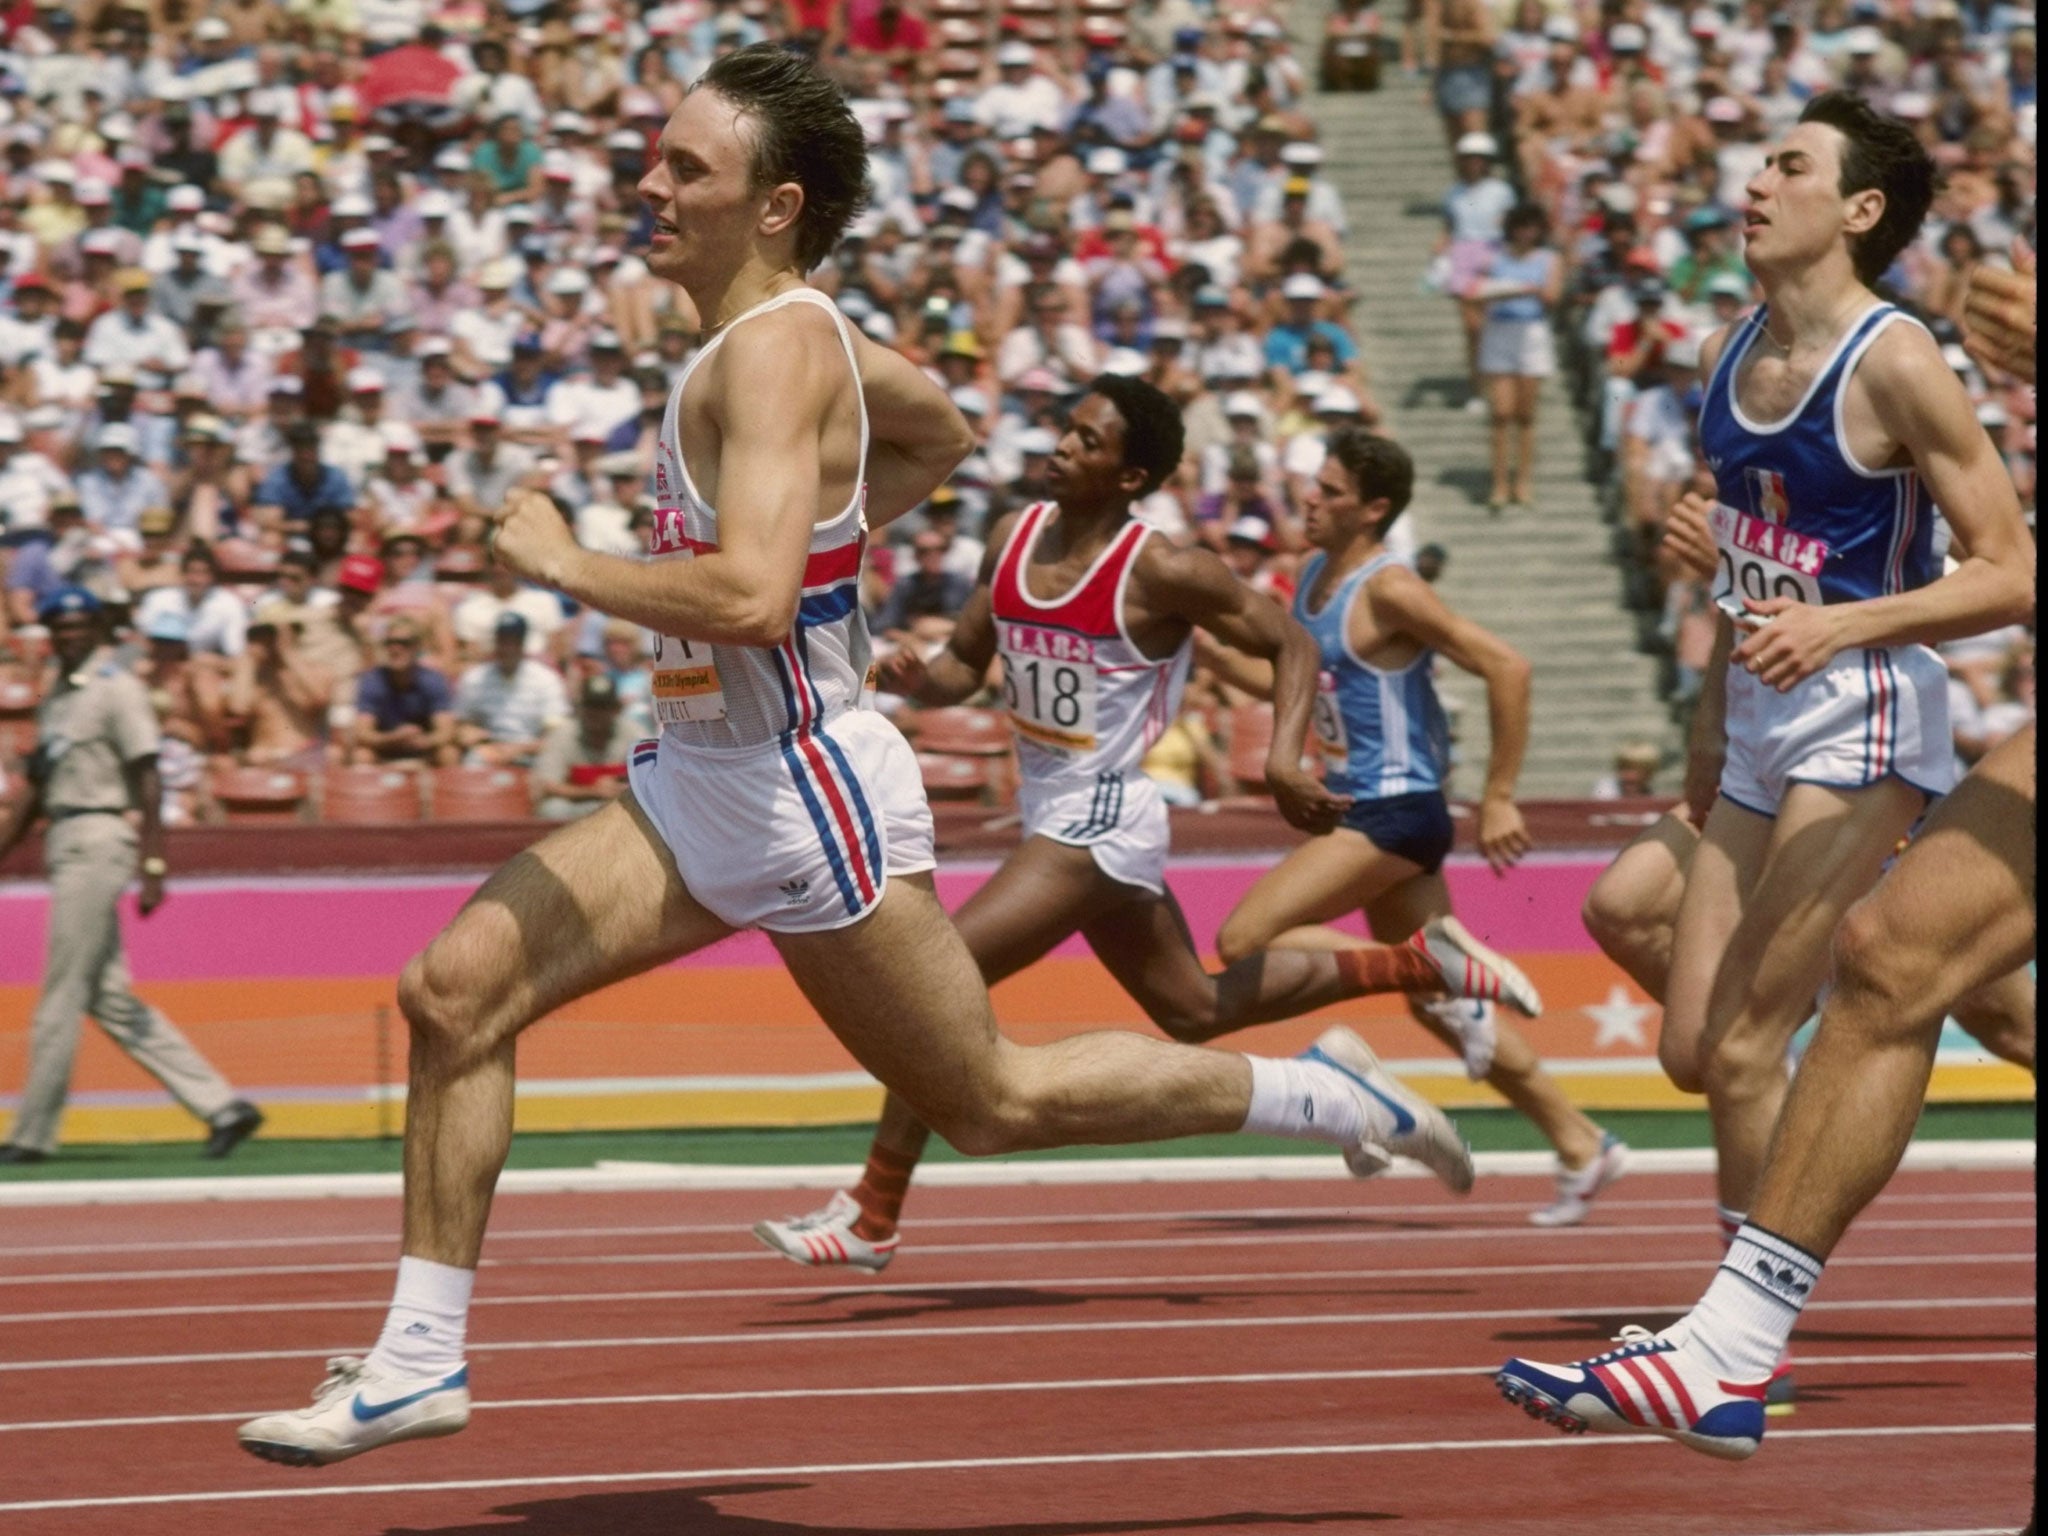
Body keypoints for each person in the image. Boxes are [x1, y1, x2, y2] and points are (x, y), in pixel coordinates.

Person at [236, 46, 1473, 1469]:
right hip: (702, 772)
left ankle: (1327, 1094)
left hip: (800, 788)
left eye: (686, 167)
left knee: (989, 1103)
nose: (649, 181)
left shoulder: (774, 349)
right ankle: (417, 1359)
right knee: (453, 994)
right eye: (657, 155)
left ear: (777, 207)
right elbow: (937, 432)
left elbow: (755, 601)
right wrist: (843, 533)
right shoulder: (789, 333)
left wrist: (569, 559)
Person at [1493, 92, 2035, 1458]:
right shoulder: (1730, 355)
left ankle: (1726, 1345)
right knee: (1697, 1045)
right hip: (1757, 710)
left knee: (1756, 1037)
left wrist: (1845, 620)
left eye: (1790, 165)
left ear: (1858, 210)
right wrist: (1708, 699)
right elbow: (1754, 577)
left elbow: (2009, 572)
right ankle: (1732, 1327)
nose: (1755, 182)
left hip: (1859, 702)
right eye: (1758, 161)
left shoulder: (1896, 356)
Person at [753, 379, 1535, 1271]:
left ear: (1129, 475)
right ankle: (1414, 970)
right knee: (1193, 1009)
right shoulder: (1011, 538)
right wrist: (914, 678)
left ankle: (873, 1213)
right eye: (1066, 431)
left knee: (940, 981)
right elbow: (967, 664)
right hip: (1049, 809)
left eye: (1087, 442)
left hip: (1106, 810)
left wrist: (1283, 760)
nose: (1063, 448)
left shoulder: (1161, 568)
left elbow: (1293, 643)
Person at [1203, 429, 1626, 1228]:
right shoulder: (1313, 581)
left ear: (1374, 509)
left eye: (1329, 492)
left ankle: (1428, 963)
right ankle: (1580, 1142)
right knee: (1439, 1002)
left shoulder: (1387, 587)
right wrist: (1202, 649)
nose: (1310, 499)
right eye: (1314, 486)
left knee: (1247, 938)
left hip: (1395, 807)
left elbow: (1508, 666)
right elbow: (1294, 685)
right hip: (1374, 809)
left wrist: (1499, 795)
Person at [0, 587, 263, 1165]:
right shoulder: (56, 699)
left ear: (97, 630)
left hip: (99, 836)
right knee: (108, 996)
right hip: (65, 834)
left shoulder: (117, 689)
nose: (68, 634)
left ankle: (32, 1134)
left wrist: (154, 863)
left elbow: (149, 775)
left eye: (78, 625)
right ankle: (223, 1106)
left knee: (61, 992)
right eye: (59, 626)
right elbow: (39, 786)